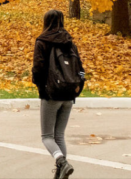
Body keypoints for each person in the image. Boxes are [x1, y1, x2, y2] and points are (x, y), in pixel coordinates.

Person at [32, 10, 85, 179]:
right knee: (59, 135)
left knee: (47, 136)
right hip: (69, 94)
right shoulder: (70, 42)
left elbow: (38, 69)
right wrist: (77, 88)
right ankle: (61, 174)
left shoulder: (42, 41)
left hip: (51, 94)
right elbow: (80, 69)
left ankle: (62, 162)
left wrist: (41, 88)